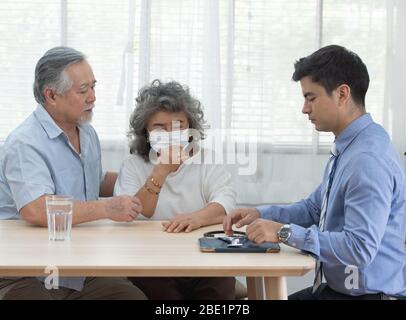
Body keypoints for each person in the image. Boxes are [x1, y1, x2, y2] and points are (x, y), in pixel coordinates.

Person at [223, 45, 406, 300]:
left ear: (342, 94)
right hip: (339, 292)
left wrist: (283, 232)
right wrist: (259, 214)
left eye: (311, 98)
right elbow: (314, 209)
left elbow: (359, 248)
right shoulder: (351, 147)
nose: (304, 109)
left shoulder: (366, 160)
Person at [0, 47, 146, 300]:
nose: (93, 97)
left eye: (93, 87)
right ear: (51, 95)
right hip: (29, 274)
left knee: (133, 298)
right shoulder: (25, 143)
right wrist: (108, 209)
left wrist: (148, 176)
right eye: (83, 90)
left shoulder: (87, 132)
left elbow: (93, 182)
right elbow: (35, 209)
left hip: (78, 268)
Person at [114, 79, 237, 299]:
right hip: (152, 261)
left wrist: (197, 218)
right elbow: (135, 213)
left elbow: (225, 202)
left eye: (179, 126)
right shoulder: (133, 165)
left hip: (203, 257)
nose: (171, 134)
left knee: (218, 286)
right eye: (160, 128)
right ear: (146, 132)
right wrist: (161, 171)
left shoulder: (208, 160)